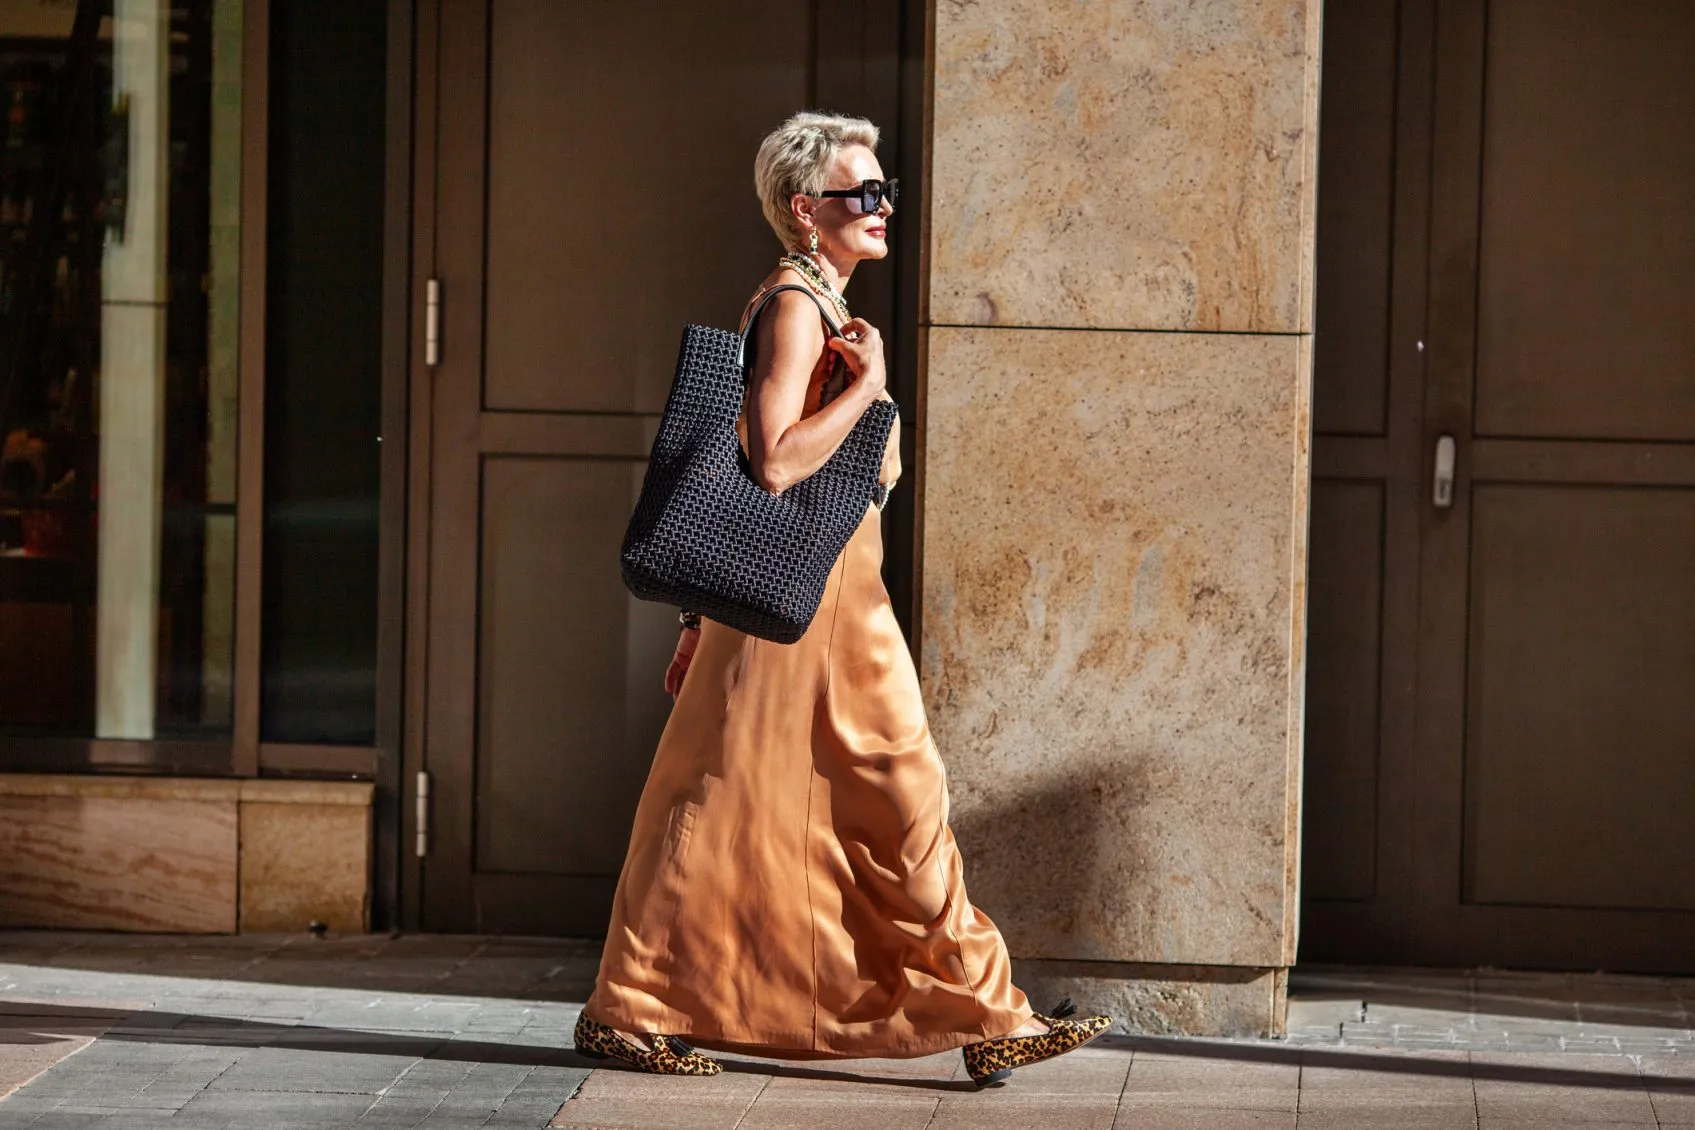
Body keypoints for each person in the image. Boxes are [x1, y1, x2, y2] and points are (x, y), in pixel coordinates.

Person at [574, 112, 1111, 1088]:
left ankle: (637, 1003)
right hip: (814, 612)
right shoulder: (793, 306)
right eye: (861, 195)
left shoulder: (818, 301)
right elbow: (772, 461)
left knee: (731, 798)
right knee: (875, 794)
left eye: (885, 192)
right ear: (802, 209)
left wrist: (700, 620)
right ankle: (981, 1008)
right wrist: (867, 390)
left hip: (831, 606)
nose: (881, 209)